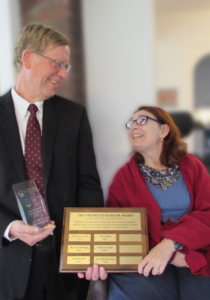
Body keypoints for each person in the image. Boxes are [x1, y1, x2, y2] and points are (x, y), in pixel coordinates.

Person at [0, 22, 104, 300]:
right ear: (28, 58)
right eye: (57, 63)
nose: (62, 74)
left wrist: (90, 247)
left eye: (66, 67)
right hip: (9, 263)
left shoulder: (74, 116)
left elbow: (88, 184)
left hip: (67, 263)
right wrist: (8, 228)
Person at [104, 106, 210, 300]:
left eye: (142, 120)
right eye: (130, 123)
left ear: (164, 130)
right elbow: (114, 225)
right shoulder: (123, 177)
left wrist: (172, 244)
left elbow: (208, 212)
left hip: (196, 248)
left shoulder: (193, 166)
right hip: (146, 253)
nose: (133, 126)